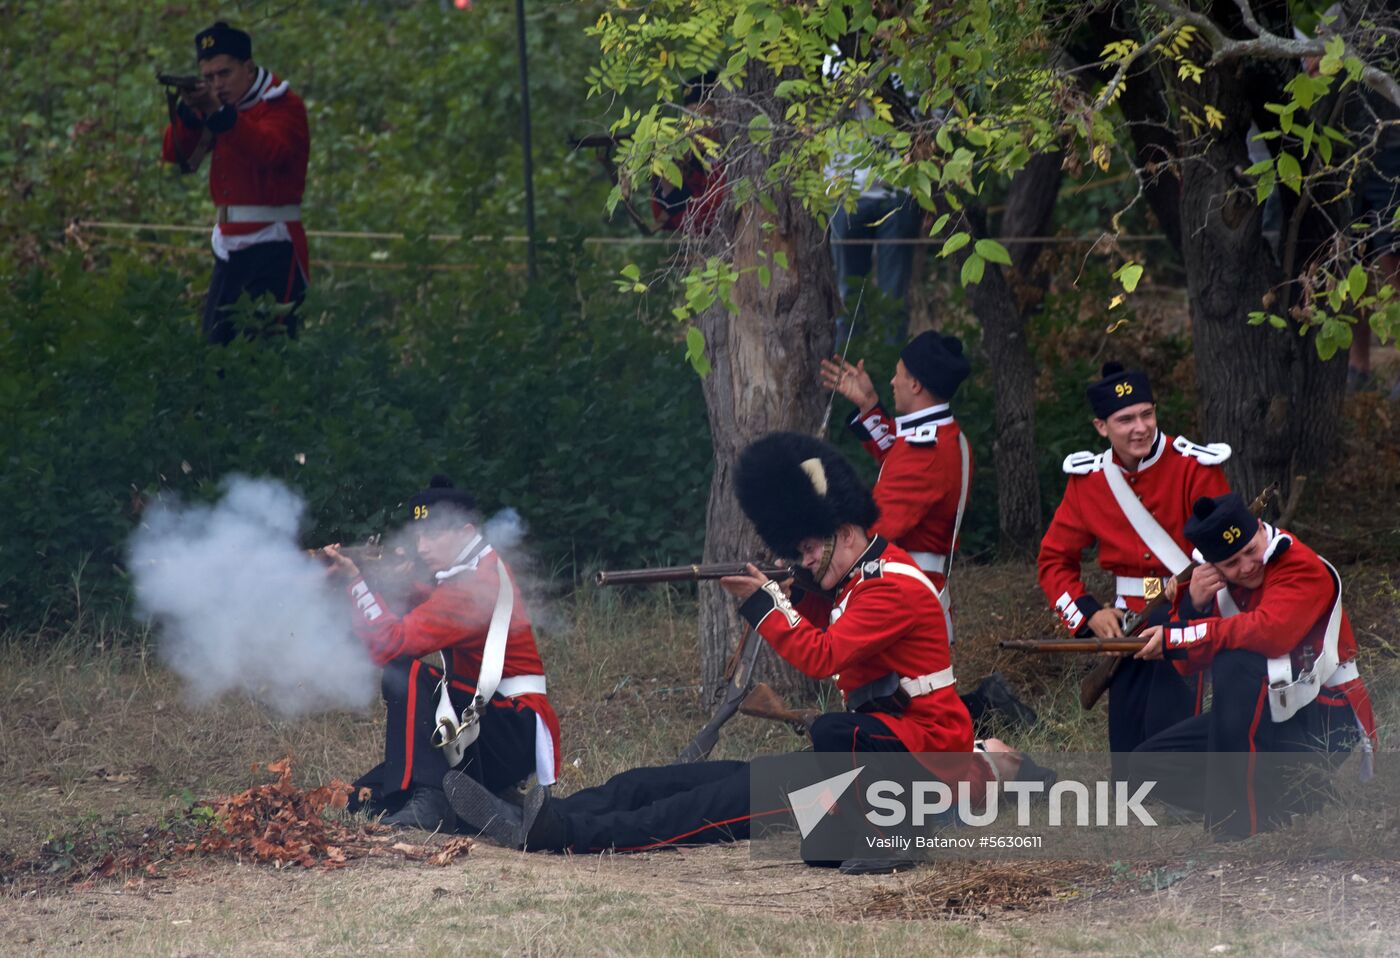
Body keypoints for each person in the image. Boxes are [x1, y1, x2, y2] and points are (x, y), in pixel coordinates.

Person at [444, 434, 1027, 870]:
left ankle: (561, 833)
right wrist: (792, 589)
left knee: (702, 809)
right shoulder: (861, 579)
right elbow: (833, 623)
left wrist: (763, 605)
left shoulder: (892, 587)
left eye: (805, 549)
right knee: (658, 783)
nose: (800, 560)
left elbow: (823, 657)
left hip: (891, 765)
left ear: (844, 533)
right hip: (863, 759)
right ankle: (538, 811)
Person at [1129, 493, 1378, 838]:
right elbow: (1190, 666)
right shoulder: (1217, 585)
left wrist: (1182, 634)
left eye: (1250, 550)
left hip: (1320, 720)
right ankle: (1288, 802)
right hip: (1256, 715)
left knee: (1235, 662)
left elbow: (1271, 633)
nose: (1247, 567)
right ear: (1214, 566)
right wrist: (1193, 608)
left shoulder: (1300, 565)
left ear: (1262, 530)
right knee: (1141, 769)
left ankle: (1238, 821)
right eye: (1232, 563)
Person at [821, 331, 1036, 730]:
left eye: (898, 374)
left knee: (902, 712)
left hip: (902, 595)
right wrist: (869, 406)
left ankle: (986, 712)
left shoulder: (925, 450)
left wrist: (822, 541)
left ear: (916, 384)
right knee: (901, 705)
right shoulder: (938, 436)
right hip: (917, 586)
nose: (892, 381)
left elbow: (877, 530)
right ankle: (986, 708)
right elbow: (895, 456)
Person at [323, 476, 560, 831]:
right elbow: (427, 606)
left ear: (464, 532)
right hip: (488, 724)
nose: (421, 545)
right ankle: (472, 800)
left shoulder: (473, 586)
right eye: (418, 535)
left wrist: (358, 583)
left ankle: (432, 802)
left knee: (406, 674)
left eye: (432, 534)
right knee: (363, 797)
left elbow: (392, 643)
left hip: (512, 729)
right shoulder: (473, 570)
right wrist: (379, 579)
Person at [1037, 362, 1232, 758]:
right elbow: (1053, 561)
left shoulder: (1194, 466)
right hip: (1127, 616)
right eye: (1125, 419)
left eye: (1147, 414)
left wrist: (1193, 596)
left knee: (1170, 728)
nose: (1141, 427)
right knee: (1126, 764)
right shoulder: (1088, 480)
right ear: (1101, 427)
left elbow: (1227, 548)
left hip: (1191, 608)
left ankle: (1179, 781)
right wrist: (1089, 614)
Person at [161, 21, 310, 345]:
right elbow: (175, 153)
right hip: (229, 248)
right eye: (209, 77)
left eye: (224, 74)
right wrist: (188, 114)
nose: (217, 84)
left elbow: (271, 152)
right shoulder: (220, 106)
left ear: (248, 67)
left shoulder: (282, 105)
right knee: (215, 354)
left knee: (268, 353)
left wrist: (219, 114)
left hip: (274, 247)